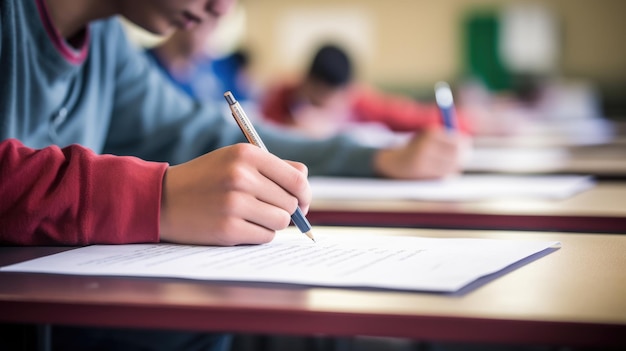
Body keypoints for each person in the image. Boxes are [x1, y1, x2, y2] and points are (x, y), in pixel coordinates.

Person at [0, 0, 467, 349]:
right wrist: (157, 198)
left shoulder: (107, 44)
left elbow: (199, 131)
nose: (221, 8)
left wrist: (372, 159)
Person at [260, 43, 472, 141]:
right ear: (306, 81)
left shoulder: (360, 101)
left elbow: (419, 118)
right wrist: (290, 131)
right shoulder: (282, 97)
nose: (326, 106)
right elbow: (259, 135)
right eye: (319, 98)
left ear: (348, 90)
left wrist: (469, 122)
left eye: (333, 99)